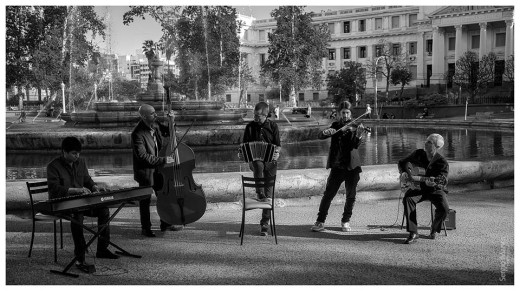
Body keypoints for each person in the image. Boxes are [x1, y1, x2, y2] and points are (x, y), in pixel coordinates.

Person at [47, 136, 119, 273]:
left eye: (78, 153)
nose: (77, 156)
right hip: (62, 204)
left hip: (81, 202)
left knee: (104, 210)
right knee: (77, 216)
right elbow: (54, 189)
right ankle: (80, 258)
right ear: (64, 152)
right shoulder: (53, 166)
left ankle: (102, 249)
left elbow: (87, 180)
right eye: (74, 153)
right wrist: (75, 190)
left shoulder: (81, 162)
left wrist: (94, 187)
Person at [311, 101, 365, 232]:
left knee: (351, 196)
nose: (345, 115)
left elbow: (355, 145)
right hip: (337, 166)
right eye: (343, 113)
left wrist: (358, 135)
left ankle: (346, 220)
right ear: (339, 114)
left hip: (352, 167)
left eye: (347, 113)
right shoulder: (335, 125)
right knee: (328, 194)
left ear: (351, 114)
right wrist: (326, 133)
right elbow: (320, 136)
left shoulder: (356, 126)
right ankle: (320, 221)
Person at [131, 103, 177, 237]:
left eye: (155, 112)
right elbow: (143, 157)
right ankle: (146, 228)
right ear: (144, 116)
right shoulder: (137, 133)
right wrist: (164, 160)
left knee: (163, 196)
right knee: (145, 201)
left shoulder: (155, 124)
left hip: (158, 170)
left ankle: (165, 223)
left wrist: (172, 120)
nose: (155, 115)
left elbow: (169, 132)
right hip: (145, 172)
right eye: (152, 113)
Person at [239, 101, 281, 236]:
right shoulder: (249, 127)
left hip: (271, 163)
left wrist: (277, 153)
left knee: (269, 196)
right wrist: (242, 153)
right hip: (255, 161)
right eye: (254, 115)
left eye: (258, 116)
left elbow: (278, 145)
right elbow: (244, 145)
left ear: (266, 115)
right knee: (258, 164)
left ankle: (264, 223)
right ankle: (259, 192)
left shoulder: (273, 126)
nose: (255, 118)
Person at [398, 133, 449, 244]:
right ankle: (413, 232)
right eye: (426, 141)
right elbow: (402, 162)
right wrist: (403, 173)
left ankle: (434, 228)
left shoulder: (442, 162)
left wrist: (435, 184)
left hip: (435, 190)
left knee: (444, 208)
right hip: (418, 188)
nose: (425, 143)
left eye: (429, 142)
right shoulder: (418, 154)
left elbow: (443, 180)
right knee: (408, 199)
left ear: (437, 146)